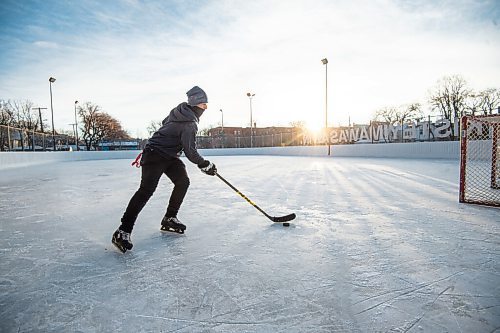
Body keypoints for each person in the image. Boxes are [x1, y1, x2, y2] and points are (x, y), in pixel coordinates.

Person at [112, 86, 217, 253]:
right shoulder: (190, 123)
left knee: (183, 182)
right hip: (154, 154)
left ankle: (169, 218)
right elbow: (190, 151)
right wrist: (204, 164)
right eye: (205, 105)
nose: (206, 108)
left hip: (170, 156)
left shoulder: (179, 111)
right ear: (197, 104)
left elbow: (164, 123)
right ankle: (123, 230)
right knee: (146, 191)